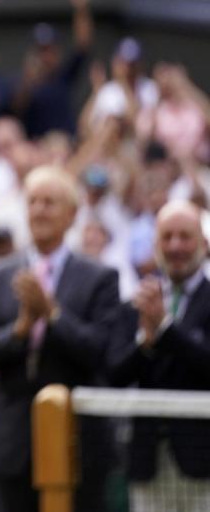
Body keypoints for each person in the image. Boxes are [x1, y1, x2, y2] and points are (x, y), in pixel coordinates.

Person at [0, 165, 120, 512]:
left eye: (49, 202)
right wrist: (19, 330)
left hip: (79, 443)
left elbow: (103, 354)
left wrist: (52, 314)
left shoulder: (99, 277)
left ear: (72, 214)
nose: (39, 210)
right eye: (33, 201)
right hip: (11, 445)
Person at [106, 201, 210, 512]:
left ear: (204, 244)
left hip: (203, 463)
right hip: (147, 460)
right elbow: (113, 373)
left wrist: (165, 327)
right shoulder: (137, 303)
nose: (175, 246)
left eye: (184, 236)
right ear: (155, 245)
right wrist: (146, 342)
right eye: (167, 237)